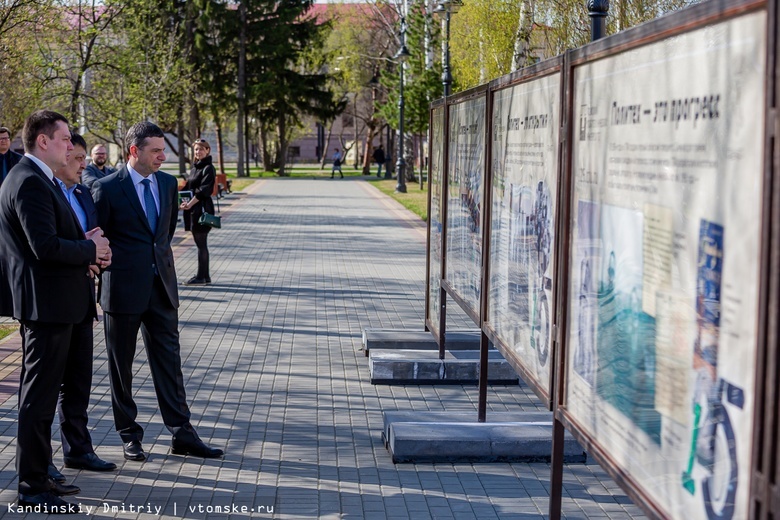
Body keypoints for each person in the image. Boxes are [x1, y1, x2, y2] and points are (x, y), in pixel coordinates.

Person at [91, 122, 223, 462]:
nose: (163, 156)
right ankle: (128, 434)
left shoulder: (166, 184)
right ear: (135, 151)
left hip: (162, 289)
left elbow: (162, 236)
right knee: (121, 365)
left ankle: (182, 433)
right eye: (156, 151)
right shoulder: (107, 189)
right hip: (122, 291)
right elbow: (100, 241)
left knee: (170, 363)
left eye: (163, 150)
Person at [0, 110, 111, 511]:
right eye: (64, 138)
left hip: (61, 303)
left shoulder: (40, 180)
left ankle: (43, 474)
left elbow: (51, 240)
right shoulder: (28, 182)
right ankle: (32, 486)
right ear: (43, 141)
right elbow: (43, 247)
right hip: (45, 307)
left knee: (47, 396)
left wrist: (86, 243)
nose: (70, 145)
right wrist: (90, 249)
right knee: (38, 398)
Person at [50, 132, 116, 476]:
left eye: (84, 159)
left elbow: (94, 233)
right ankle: (39, 461)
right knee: (48, 386)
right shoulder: (47, 194)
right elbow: (51, 245)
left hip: (83, 298)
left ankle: (78, 449)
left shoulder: (82, 192)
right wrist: (86, 251)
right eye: (77, 159)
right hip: (53, 303)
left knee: (78, 382)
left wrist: (99, 255)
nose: (83, 165)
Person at [179, 138, 215, 285]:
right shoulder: (195, 167)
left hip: (202, 210)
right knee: (201, 243)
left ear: (207, 150)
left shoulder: (208, 168)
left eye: (201, 149)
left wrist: (190, 203)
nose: (198, 152)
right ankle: (205, 276)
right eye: (196, 149)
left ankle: (201, 277)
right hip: (193, 209)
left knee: (201, 244)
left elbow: (203, 191)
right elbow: (188, 187)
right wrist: (183, 202)